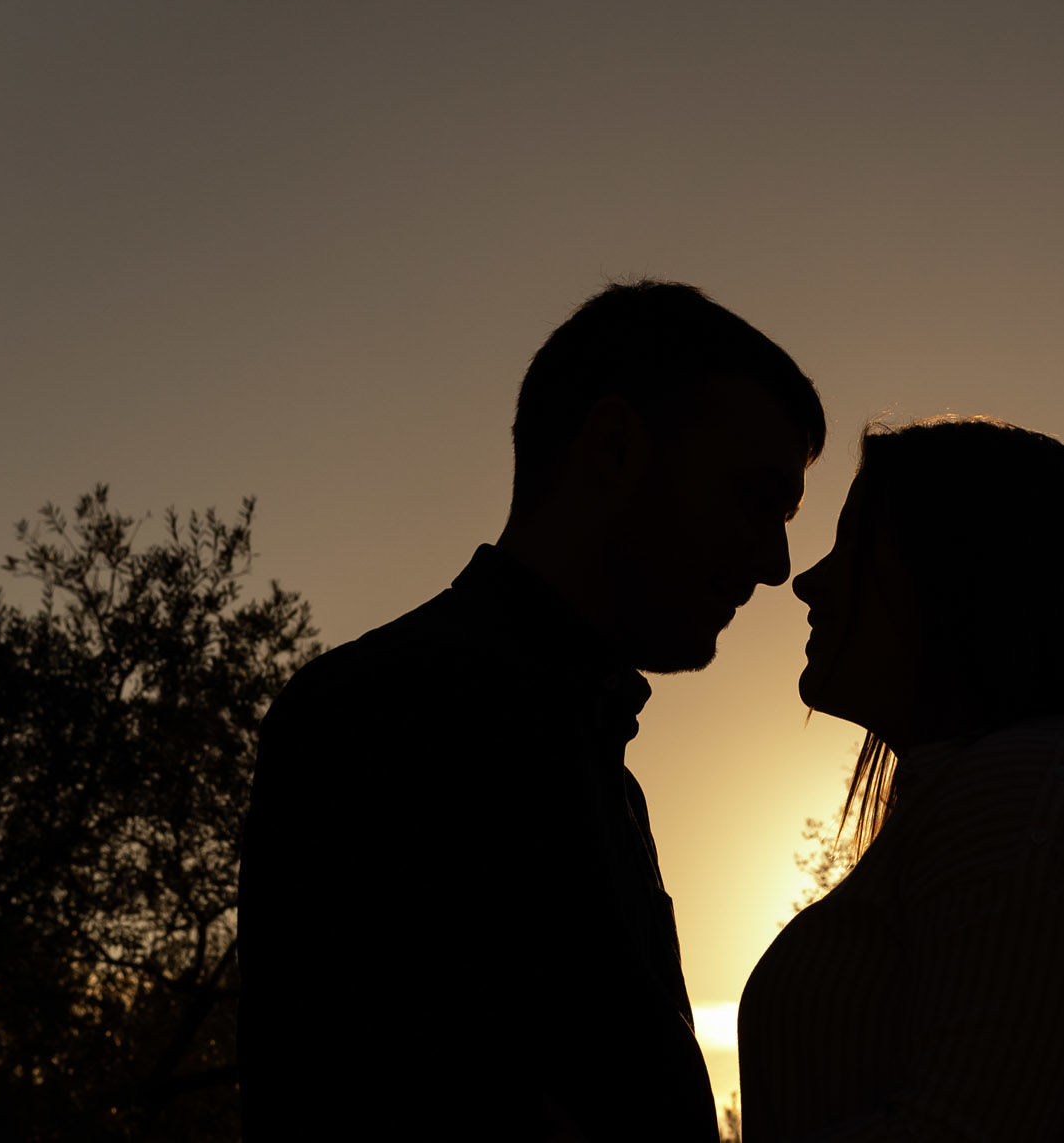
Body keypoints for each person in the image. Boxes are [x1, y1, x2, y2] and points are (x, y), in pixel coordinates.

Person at [240, 281, 825, 1142]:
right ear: (616, 449)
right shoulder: (387, 717)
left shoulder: (593, 759)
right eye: (754, 499)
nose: (777, 564)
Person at [739, 417, 1064, 1142]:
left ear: (954, 577)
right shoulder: (999, 796)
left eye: (855, 544)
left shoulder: (1027, 796)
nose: (808, 581)